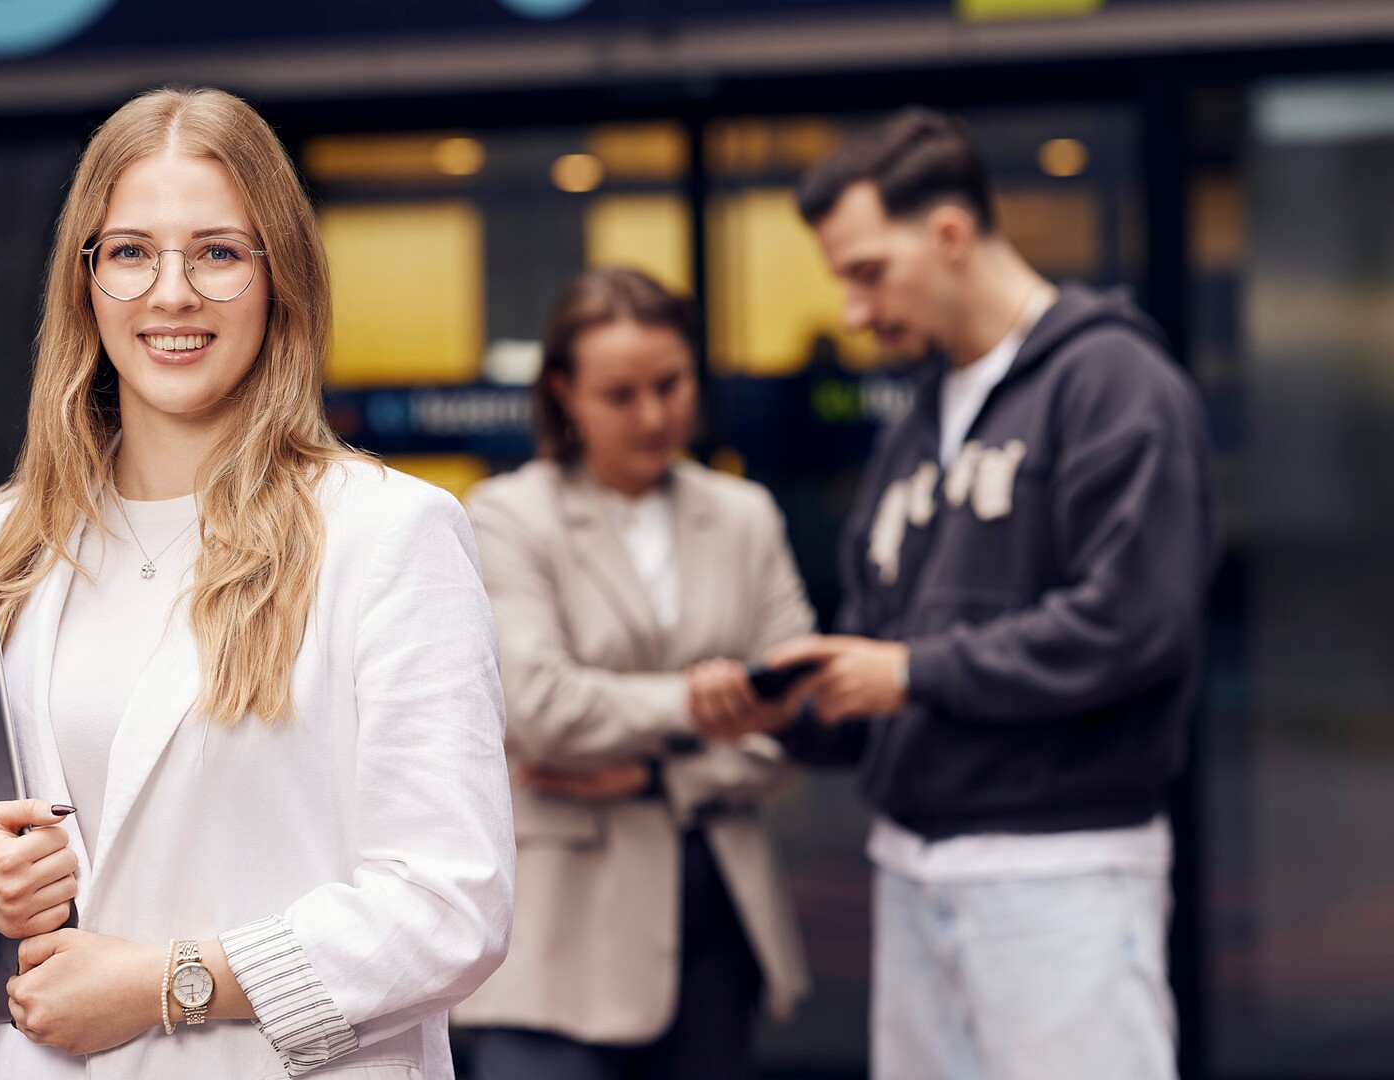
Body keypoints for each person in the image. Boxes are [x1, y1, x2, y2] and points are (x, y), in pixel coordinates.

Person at [0, 87, 514, 1079]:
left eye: (217, 252)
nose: (171, 294)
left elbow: (451, 907)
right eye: (130, 252)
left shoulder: (388, 535)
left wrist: (167, 982)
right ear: (84, 281)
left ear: (279, 278)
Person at [756, 109, 1216, 1079]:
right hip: (910, 866)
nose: (852, 312)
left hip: (1062, 868)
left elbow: (1134, 622)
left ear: (951, 233)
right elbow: (882, 653)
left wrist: (910, 673)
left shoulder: (1112, 381)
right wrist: (789, 709)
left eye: (867, 271)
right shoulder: (915, 422)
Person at [450, 267, 811, 1079]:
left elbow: (794, 708)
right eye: (621, 394)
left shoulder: (745, 516)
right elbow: (541, 706)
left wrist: (655, 776)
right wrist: (707, 700)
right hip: (563, 935)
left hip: (715, 923)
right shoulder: (507, 516)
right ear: (565, 392)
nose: (653, 415)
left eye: (670, 385)